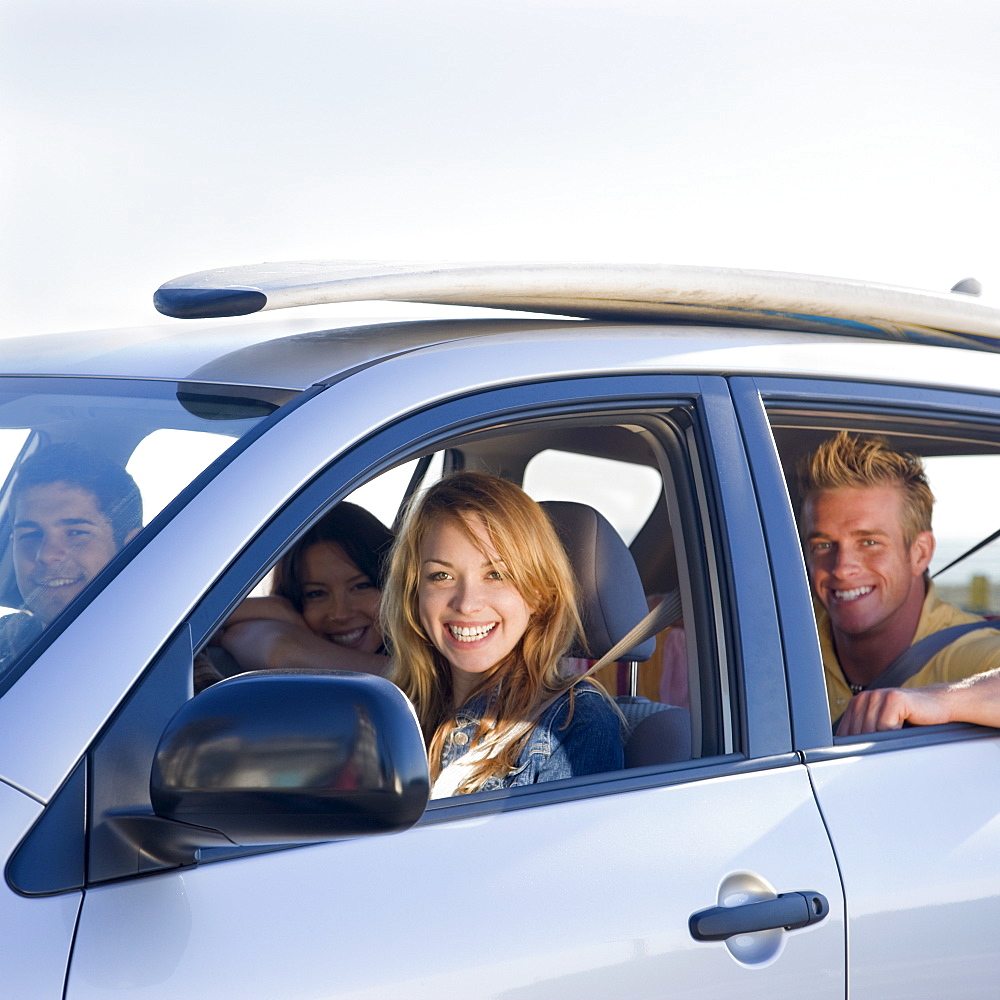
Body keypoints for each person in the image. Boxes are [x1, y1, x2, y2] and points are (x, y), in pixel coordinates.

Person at [381, 471, 624, 797]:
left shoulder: (571, 726)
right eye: (441, 575)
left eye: (495, 574)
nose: (467, 604)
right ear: (414, 594)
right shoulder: (394, 712)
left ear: (539, 593)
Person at [797, 431, 1000, 735]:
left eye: (869, 542)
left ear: (920, 554)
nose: (841, 568)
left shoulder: (964, 652)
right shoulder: (789, 635)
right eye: (823, 545)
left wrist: (938, 699)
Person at [204, 501, 393, 688]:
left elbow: (283, 654)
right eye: (316, 594)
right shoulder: (289, 620)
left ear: (395, 584)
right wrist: (276, 609)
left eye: (360, 586)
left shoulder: (419, 663)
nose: (340, 614)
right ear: (294, 599)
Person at [0, 443, 143, 675]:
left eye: (76, 533)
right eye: (31, 535)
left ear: (132, 547)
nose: (45, 555)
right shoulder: (6, 638)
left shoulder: (166, 665)